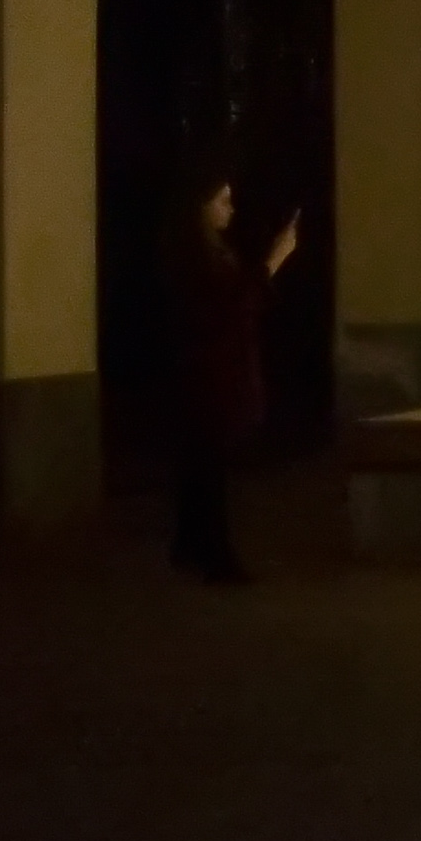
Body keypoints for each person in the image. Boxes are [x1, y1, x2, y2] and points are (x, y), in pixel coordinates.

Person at [166, 171, 297, 585]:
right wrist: (275, 260)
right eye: (222, 200)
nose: (230, 208)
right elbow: (231, 306)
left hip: (212, 373)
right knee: (207, 466)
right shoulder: (195, 257)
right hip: (208, 375)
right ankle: (214, 557)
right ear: (201, 206)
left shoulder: (210, 252)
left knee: (204, 465)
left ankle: (191, 545)